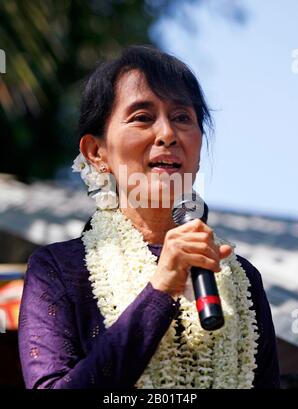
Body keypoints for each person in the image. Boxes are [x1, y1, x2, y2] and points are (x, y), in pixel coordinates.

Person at [18, 45, 280, 389]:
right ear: (96, 152)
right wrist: (161, 289)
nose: (168, 134)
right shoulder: (58, 270)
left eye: (182, 118)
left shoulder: (241, 279)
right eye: (142, 117)